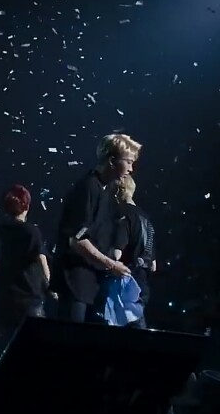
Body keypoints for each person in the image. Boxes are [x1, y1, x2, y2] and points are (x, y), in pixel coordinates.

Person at [51, 133, 140, 323]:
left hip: (90, 284)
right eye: (128, 162)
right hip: (76, 282)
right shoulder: (89, 188)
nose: (131, 169)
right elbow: (78, 240)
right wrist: (111, 265)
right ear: (112, 161)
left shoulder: (104, 191)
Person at [0, 184, 50, 333]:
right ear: (26, 206)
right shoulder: (31, 231)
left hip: (4, 299)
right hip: (29, 298)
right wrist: (49, 285)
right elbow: (41, 260)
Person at [107, 174, 156, 328]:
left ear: (118, 192)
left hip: (126, 283)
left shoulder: (123, 216)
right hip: (143, 283)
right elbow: (153, 265)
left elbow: (117, 254)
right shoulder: (147, 219)